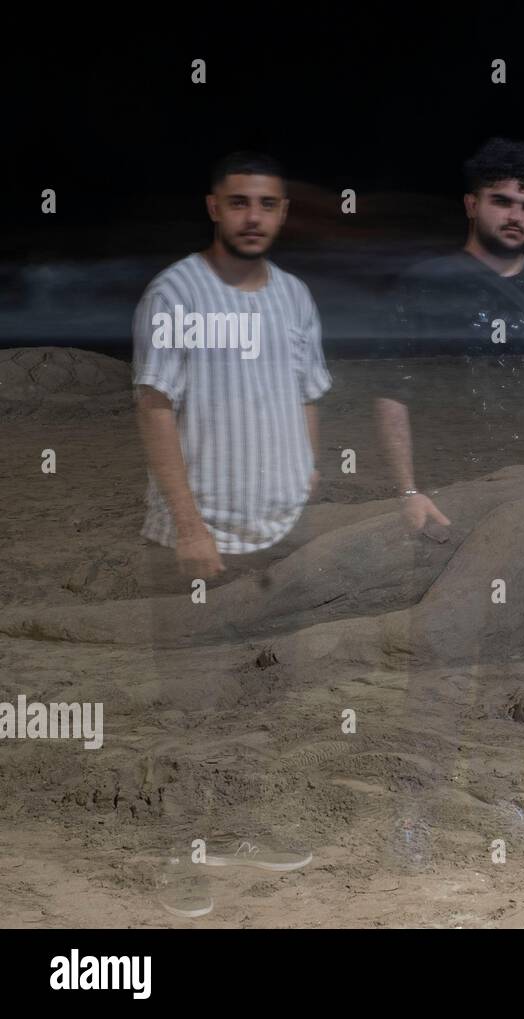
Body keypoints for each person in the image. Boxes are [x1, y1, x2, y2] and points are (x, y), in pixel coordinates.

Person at [374, 138, 524, 870]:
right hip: (452, 496)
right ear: (471, 203)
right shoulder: (428, 282)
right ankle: (415, 805)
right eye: (503, 201)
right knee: (441, 649)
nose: (516, 216)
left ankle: (497, 790)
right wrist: (408, 491)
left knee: (520, 652)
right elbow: (391, 392)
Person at [133, 151, 328, 913]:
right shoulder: (175, 292)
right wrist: (188, 524)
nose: (254, 217)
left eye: (268, 204)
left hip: (275, 536)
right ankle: (180, 852)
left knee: (261, 694)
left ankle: (241, 826)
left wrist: (307, 465)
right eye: (240, 202)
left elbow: (310, 388)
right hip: (198, 540)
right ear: (214, 206)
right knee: (192, 700)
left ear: (282, 213)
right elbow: (154, 408)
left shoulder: (295, 298)